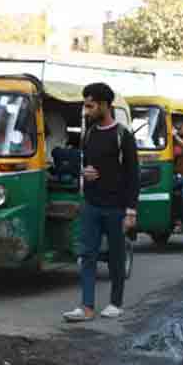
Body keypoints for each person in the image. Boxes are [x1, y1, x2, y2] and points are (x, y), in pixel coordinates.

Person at [63, 82, 139, 323]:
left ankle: (116, 303)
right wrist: (85, 173)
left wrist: (130, 211)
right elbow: (85, 164)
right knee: (87, 255)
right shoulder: (88, 134)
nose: (86, 111)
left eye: (90, 105)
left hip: (116, 207)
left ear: (105, 105)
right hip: (91, 205)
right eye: (85, 105)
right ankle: (86, 307)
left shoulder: (123, 136)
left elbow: (132, 175)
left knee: (116, 256)